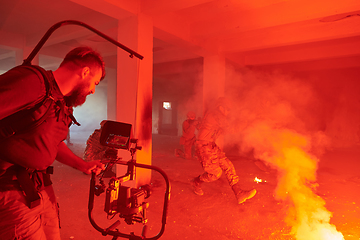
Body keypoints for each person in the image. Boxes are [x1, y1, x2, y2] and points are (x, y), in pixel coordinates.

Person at [0, 46, 106, 239]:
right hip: (11, 191)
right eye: (95, 82)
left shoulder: (61, 104)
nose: (93, 90)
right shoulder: (33, 82)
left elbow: (52, 144)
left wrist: (83, 165)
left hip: (40, 189)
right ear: (85, 72)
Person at [191, 97, 257, 204]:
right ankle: (196, 182)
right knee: (215, 174)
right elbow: (231, 129)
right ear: (221, 108)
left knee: (228, 165)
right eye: (228, 109)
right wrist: (247, 122)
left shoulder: (216, 117)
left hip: (211, 146)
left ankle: (239, 193)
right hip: (204, 148)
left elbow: (223, 130)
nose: (229, 112)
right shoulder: (216, 115)